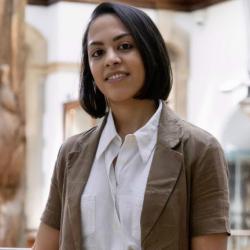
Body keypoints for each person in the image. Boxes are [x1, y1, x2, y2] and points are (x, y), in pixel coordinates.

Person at [33, 2, 230, 250]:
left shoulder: (200, 150)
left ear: (150, 53)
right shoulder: (71, 154)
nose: (111, 59)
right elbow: (44, 247)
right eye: (97, 53)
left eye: (124, 46)